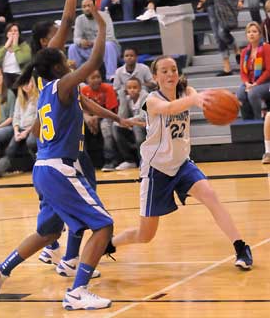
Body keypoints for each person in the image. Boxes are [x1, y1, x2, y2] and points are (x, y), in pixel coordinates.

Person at [0, 0, 113, 311]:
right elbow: (89, 63)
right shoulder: (59, 80)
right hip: (60, 165)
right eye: (59, 43)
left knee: (48, 232)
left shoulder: (45, 80)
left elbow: (68, 21)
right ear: (55, 55)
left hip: (46, 167)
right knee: (102, 225)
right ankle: (76, 288)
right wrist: (101, 26)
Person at [105, 55, 253, 271]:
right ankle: (110, 244)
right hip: (156, 170)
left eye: (173, 69)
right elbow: (170, 109)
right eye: (164, 71)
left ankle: (241, 247)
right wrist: (196, 100)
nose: (170, 74)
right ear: (155, 77)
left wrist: (221, 102)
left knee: (210, 196)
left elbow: (195, 98)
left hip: (182, 164)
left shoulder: (187, 92)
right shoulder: (150, 100)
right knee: (145, 235)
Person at [196, 0, 243, 76]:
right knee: (217, 35)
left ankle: (236, 48)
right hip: (212, 2)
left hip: (228, 1)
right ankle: (226, 66)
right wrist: (201, 1)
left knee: (223, 32)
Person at [0, 76, 38, 180]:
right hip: (20, 129)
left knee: (31, 142)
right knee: (10, 149)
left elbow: (38, 118)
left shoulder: (38, 97)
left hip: (33, 128)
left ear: (32, 83)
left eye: (28, 82)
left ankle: (38, 169)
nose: (26, 86)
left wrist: (27, 131)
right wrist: (16, 131)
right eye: (23, 84)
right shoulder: (20, 99)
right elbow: (16, 116)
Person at [68, 0, 121, 81]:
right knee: (72, 47)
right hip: (89, 50)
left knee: (109, 44)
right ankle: (77, 77)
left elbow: (109, 36)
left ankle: (111, 76)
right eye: (84, 6)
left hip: (105, 49)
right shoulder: (79, 19)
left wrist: (94, 43)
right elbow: (76, 38)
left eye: (89, 6)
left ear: (95, 6)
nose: (87, 9)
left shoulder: (105, 16)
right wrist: (81, 42)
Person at [81, 69, 120, 172]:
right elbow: (82, 110)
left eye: (98, 77)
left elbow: (111, 110)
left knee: (105, 127)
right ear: (87, 80)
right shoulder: (84, 91)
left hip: (108, 116)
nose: (96, 80)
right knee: (78, 128)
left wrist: (95, 118)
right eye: (92, 78)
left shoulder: (108, 88)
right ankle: (82, 162)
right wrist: (88, 118)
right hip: (91, 118)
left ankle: (110, 160)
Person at [237, 21, 270, 120]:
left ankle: (257, 120)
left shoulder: (266, 48)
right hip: (250, 82)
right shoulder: (244, 52)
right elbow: (243, 72)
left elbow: (269, 70)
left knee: (253, 93)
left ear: (260, 34)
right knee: (240, 94)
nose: (251, 34)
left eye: (254, 31)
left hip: (267, 83)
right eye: (249, 32)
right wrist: (247, 83)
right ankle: (247, 121)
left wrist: (256, 83)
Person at [113, 76, 147, 170]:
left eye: (135, 87)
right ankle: (129, 161)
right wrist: (122, 97)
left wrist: (129, 121)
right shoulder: (127, 99)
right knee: (116, 126)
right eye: (129, 88)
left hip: (147, 127)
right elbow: (122, 116)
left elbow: (143, 117)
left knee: (137, 127)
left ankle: (143, 161)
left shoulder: (146, 97)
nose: (132, 90)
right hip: (133, 125)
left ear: (140, 88)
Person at [0, 22, 32, 91]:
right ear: (7, 34)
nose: (13, 33)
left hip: (19, 77)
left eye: (15, 31)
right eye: (10, 31)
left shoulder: (25, 46)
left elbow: (21, 60)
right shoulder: (3, 48)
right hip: (5, 79)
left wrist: (15, 45)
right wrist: (5, 47)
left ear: (19, 34)